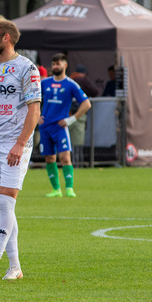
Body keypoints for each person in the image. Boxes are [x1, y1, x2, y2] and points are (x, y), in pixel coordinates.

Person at [0, 16, 41, 280]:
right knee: (3, 208)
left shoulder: (27, 68)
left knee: (5, 200)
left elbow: (34, 109)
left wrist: (20, 144)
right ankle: (15, 266)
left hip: (16, 144)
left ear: (6, 38)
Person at [39, 53, 92, 197]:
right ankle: (56, 190)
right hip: (45, 127)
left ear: (65, 65)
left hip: (60, 126)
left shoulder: (71, 84)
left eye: (58, 64)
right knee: (49, 158)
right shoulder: (44, 83)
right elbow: (32, 98)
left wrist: (71, 120)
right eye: (54, 64)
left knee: (65, 157)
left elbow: (86, 104)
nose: (55, 66)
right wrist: (36, 115)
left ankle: (69, 188)